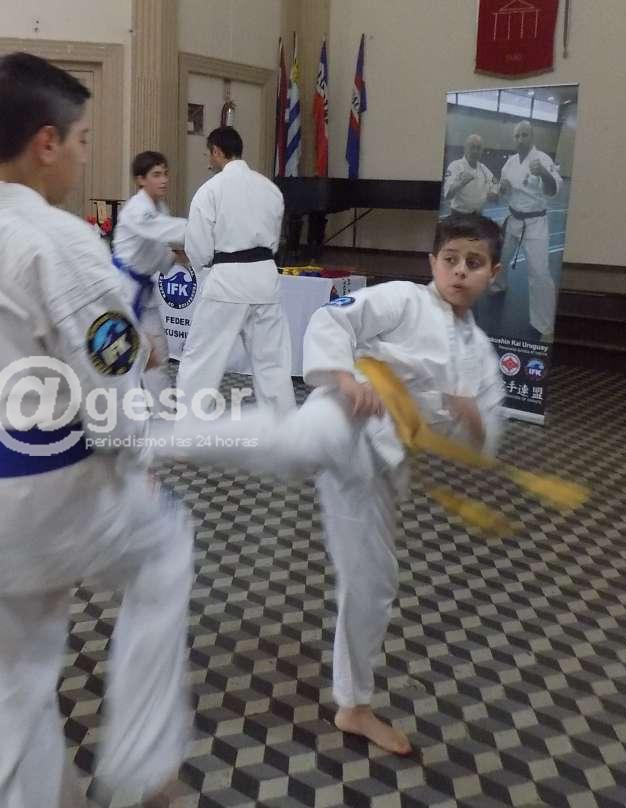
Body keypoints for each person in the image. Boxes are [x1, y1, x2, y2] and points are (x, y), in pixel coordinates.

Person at [0, 52, 193, 808]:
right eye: (81, 140)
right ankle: (142, 765)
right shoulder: (57, 238)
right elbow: (110, 376)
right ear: (46, 142)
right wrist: (135, 458)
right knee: (164, 547)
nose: (83, 155)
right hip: (46, 489)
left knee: (11, 684)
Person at [168, 213, 507, 757]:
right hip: (345, 415)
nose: (460, 272)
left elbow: (484, 438)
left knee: (374, 582)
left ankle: (354, 704)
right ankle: (157, 440)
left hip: (381, 463)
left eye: (474, 263)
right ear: (432, 262)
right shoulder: (404, 299)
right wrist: (345, 378)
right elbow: (333, 318)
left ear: (493, 273)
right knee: (287, 444)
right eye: (450, 260)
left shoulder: (481, 357)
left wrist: (472, 421)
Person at [177, 126, 294, 416]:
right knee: (272, 364)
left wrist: (201, 262)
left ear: (217, 151)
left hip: (227, 282)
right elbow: (274, 238)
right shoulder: (270, 189)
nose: (208, 159)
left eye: (208, 153)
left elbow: (199, 247)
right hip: (265, 279)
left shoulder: (211, 190)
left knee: (201, 361)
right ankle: (285, 430)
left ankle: (189, 430)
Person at [113, 151, 186, 379]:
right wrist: (203, 228)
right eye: (156, 174)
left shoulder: (161, 209)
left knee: (158, 356)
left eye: (165, 173)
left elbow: (159, 252)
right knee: (121, 359)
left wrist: (179, 257)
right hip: (122, 292)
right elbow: (161, 229)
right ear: (141, 179)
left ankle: (158, 403)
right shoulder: (136, 209)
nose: (164, 180)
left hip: (144, 293)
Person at [495, 120, 561, 341]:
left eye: (525, 135)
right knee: (501, 257)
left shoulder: (543, 160)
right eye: (517, 136)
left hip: (535, 223)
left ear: (532, 137)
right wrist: (503, 189)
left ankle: (545, 325)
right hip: (513, 218)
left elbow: (552, 191)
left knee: (539, 273)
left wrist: (543, 173)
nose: (520, 139)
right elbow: (504, 191)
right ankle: (498, 284)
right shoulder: (510, 163)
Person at [442, 134, 496, 215]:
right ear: (465, 149)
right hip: (459, 215)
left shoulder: (484, 169)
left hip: (478, 215)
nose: (475, 151)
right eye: (472, 147)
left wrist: (493, 192)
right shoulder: (455, 166)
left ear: (482, 151)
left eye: (478, 148)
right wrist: (460, 183)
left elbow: (495, 183)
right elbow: (447, 195)